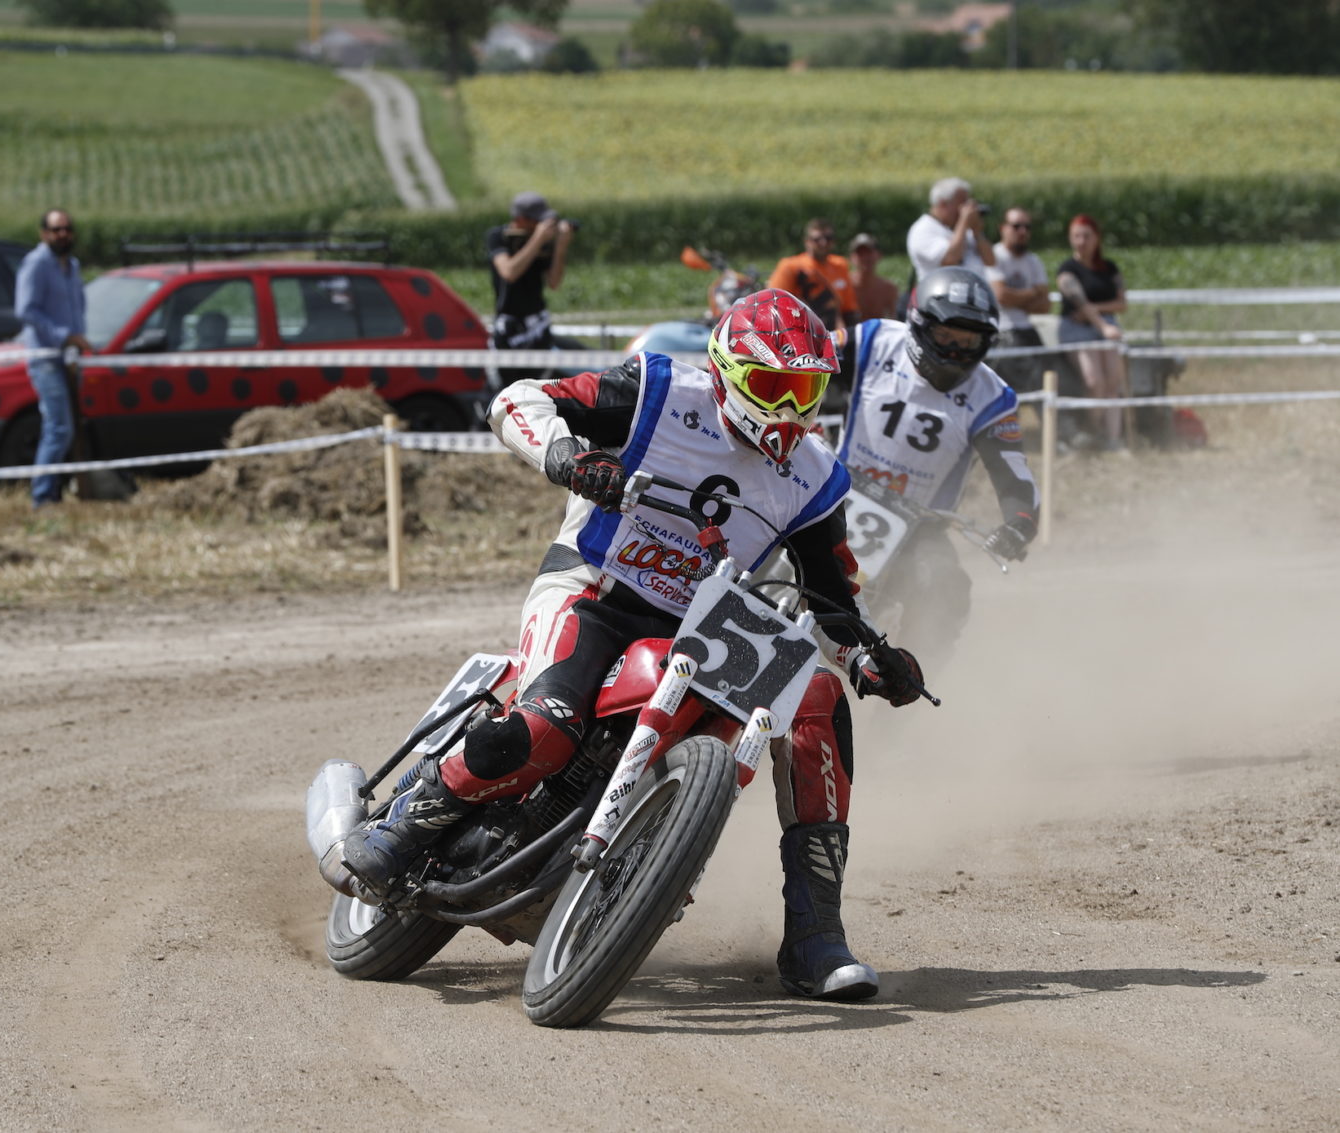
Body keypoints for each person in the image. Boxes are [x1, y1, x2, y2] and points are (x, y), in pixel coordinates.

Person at [342, 289, 928, 1002]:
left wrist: (869, 657)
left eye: (803, 391)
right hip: (596, 587)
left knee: (818, 697)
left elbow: (831, 595)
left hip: (706, 625)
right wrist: (567, 456)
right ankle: (405, 825)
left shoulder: (817, 473)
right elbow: (519, 398)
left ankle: (815, 935)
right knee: (547, 725)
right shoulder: (658, 390)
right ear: (727, 372)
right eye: (771, 386)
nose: (787, 410)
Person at [831, 266, 1041, 667]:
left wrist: (1019, 523)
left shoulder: (993, 397)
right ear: (919, 322)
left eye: (969, 341)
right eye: (947, 336)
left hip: (918, 528)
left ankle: (911, 683)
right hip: (831, 496)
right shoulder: (872, 340)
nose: (957, 351)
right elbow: (803, 362)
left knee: (946, 588)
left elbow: (1014, 474)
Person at [15, 208, 91, 508]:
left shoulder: (73, 265)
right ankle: (42, 496)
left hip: (70, 357)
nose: (63, 235)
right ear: (44, 233)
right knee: (59, 427)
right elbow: (26, 310)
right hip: (46, 356)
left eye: (67, 229)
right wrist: (64, 336)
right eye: (56, 229)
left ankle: (59, 489)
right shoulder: (36, 264)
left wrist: (78, 340)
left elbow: (78, 307)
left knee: (68, 428)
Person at [1055, 214, 1130, 452]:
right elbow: (1079, 302)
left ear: (1096, 238)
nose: (1081, 241)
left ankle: (1113, 439)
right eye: (1076, 236)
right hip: (1079, 330)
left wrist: (1097, 313)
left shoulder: (1109, 268)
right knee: (1094, 381)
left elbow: (1121, 303)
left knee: (1113, 383)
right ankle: (1092, 429)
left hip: (1105, 327)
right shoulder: (1067, 269)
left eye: (1086, 236)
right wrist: (1102, 325)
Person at [485, 191, 573, 389]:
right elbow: (509, 272)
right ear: (521, 219)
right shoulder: (497, 237)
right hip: (508, 329)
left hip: (537, 328)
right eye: (537, 220)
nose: (541, 225)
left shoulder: (542, 242)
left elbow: (554, 282)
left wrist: (560, 247)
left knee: (537, 387)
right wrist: (537, 240)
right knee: (506, 388)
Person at [985, 207, 1052, 393]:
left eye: (1027, 227)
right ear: (1003, 228)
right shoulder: (992, 256)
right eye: (1016, 226)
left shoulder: (1033, 261)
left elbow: (1045, 305)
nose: (1022, 231)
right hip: (1002, 333)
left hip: (1027, 331)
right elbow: (1001, 296)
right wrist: (1033, 292)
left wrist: (1014, 297)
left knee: (1047, 382)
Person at [769, 218, 860, 331]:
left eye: (828, 238)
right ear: (807, 241)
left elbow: (849, 309)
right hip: (801, 330)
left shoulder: (840, 265)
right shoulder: (790, 266)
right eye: (817, 239)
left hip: (834, 332)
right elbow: (773, 304)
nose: (823, 243)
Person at [906, 177, 996, 285]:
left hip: (975, 292)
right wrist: (963, 222)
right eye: (962, 204)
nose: (965, 210)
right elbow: (950, 260)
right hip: (941, 293)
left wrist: (977, 232)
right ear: (943, 204)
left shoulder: (962, 229)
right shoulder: (922, 229)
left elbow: (990, 261)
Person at [847, 232, 900, 321]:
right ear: (852, 258)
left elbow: (894, 319)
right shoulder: (845, 286)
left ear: (879, 255)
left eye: (869, 252)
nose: (865, 257)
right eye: (860, 253)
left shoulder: (888, 289)